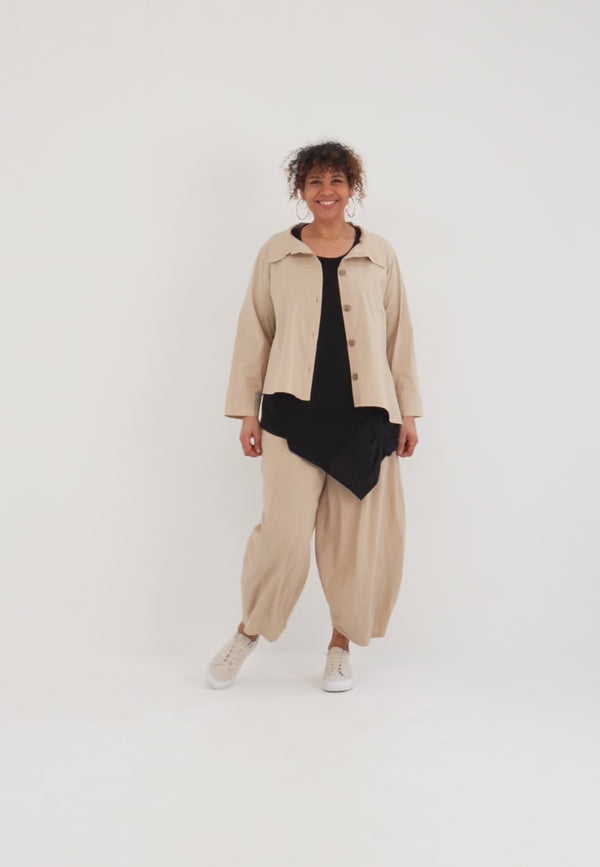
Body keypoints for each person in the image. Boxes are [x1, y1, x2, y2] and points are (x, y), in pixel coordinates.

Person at [207, 140, 423, 692]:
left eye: (336, 181)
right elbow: (255, 331)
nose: (326, 191)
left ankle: (340, 646)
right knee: (281, 535)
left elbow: (399, 336)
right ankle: (247, 632)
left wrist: (409, 413)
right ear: (300, 190)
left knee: (352, 543)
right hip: (290, 416)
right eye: (315, 182)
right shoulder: (277, 253)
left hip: (365, 419)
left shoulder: (380, 254)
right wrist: (246, 411)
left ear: (353, 188)